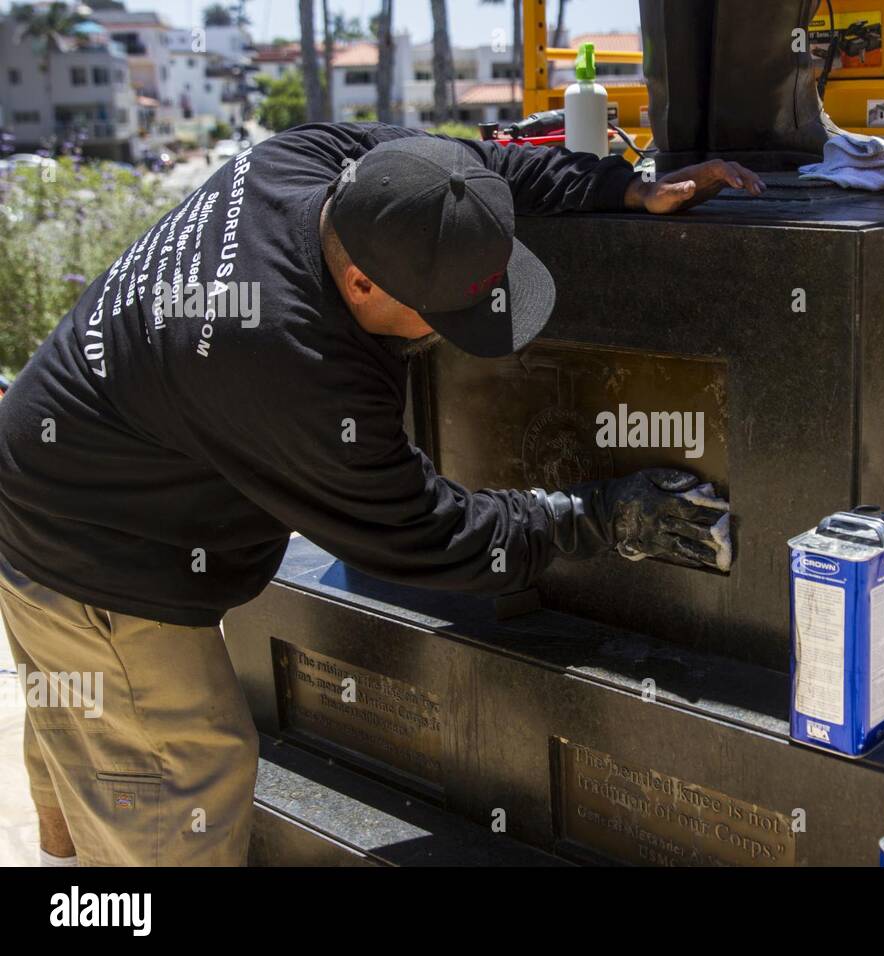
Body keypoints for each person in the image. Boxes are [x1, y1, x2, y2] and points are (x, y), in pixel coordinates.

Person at [0, 122, 765, 866]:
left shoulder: (320, 161)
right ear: (362, 281)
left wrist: (622, 188)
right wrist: (594, 517)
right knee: (174, 778)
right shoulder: (290, 364)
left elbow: (468, 165)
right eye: (447, 313)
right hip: (97, 559)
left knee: (82, 732)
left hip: (54, 460)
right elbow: (422, 533)